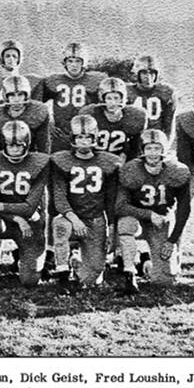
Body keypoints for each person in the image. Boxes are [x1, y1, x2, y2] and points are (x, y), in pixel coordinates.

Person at [50, 115, 121, 293]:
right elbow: (59, 197)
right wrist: (74, 220)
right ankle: (63, 275)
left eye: (87, 137)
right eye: (80, 137)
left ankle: (75, 260)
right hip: (71, 218)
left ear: (94, 138)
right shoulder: (61, 160)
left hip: (95, 220)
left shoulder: (108, 162)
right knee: (60, 226)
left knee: (92, 278)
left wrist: (111, 227)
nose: (83, 141)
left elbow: (111, 199)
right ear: (73, 139)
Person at [116, 129, 191, 293]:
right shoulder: (130, 170)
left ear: (164, 150)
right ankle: (130, 273)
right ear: (142, 150)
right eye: (149, 148)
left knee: (164, 280)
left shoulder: (177, 171)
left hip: (161, 222)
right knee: (126, 225)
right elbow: (120, 206)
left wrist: (172, 240)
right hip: (137, 217)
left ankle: (147, 263)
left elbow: (184, 209)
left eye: (157, 148)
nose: (153, 153)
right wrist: (148, 214)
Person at [0, 121, 50, 288]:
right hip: (9, 221)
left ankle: (26, 256)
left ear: (27, 145)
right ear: (3, 144)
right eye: (11, 146)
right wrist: (17, 218)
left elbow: (30, 207)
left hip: (31, 223)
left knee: (29, 280)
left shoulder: (40, 162)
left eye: (19, 146)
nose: (15, 150)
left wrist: (2, 207)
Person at [38, 42, 107, 152]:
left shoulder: (95, 80)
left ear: (84, 62)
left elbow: (104, 107)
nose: (74, 65)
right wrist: (48, 123)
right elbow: (37, 105)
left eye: (78, 61)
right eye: (70, 61)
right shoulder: (54, 80)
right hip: (61, 134)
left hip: (87, 135)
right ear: (64, 63)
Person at [78, 77, 147, 162]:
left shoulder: (134, 116)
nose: (113, 103)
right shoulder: (91, 113)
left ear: (122, 98)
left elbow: (135, 148)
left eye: (116, 98)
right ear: (102, 98)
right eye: (109, 98)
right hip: (94, 160)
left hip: (120, 161)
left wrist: (125, 158)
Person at [0, 75, 50, 154]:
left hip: (30, 158)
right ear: (5, 96)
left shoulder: (38, 112)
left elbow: (43, 148)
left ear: (26, 95)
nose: (17, 100)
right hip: (3, 159)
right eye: (12, 95)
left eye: (20, 94)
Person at [0, 40, 43, 108]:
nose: (11, 59)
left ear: (19, 59)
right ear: (2, 59)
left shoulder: (32, 81)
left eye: (14, 56)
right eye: (7, 56)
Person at [125, 54, 176, 138]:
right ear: (136, 73)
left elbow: (169, 126)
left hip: (155, 140)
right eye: (144, 73)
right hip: (131, 139)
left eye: (152, 73)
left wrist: (165, 145)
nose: (148, 77)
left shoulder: (166, 92)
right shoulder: (126, 91)